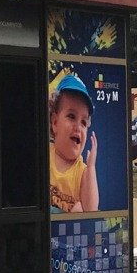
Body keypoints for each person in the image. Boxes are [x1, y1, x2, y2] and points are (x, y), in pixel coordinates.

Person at [49, 72, 99, 213]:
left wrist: (91, 168)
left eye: (84, 122)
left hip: (67, 232)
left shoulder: (82, 172)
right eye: (71, 116)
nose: (78, 126)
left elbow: (91, 210)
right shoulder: (46, 154)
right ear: (54, 122)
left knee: (80, 209)